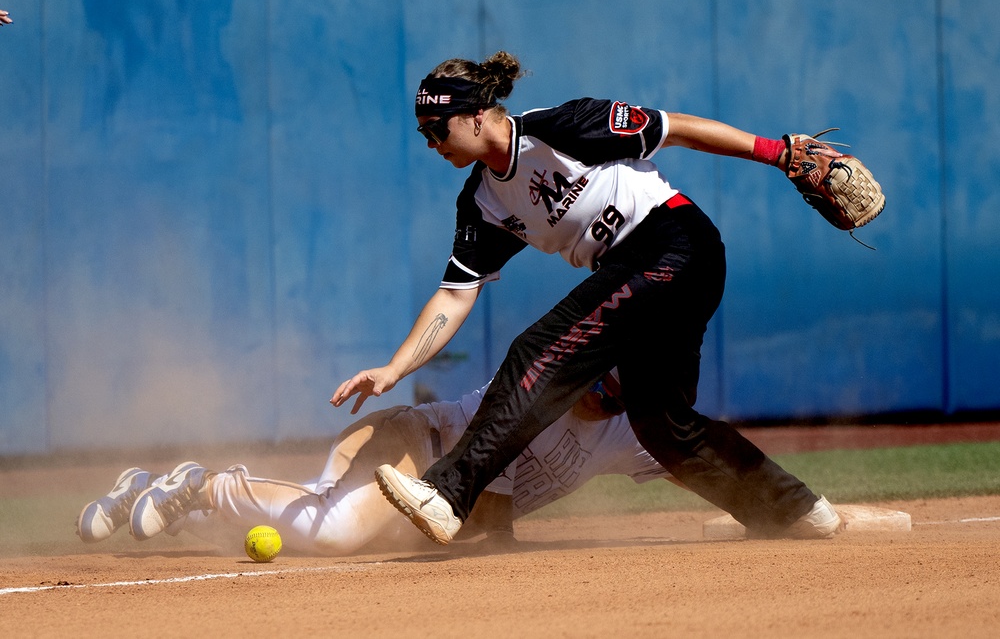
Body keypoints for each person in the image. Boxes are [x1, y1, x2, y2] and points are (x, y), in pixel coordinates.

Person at [331, 51, 841, 546]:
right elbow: (454, 297)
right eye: (424, 131)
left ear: (476, 115)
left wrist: (778, 153)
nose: (430, 142)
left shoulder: (561, 128)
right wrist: (395, 369)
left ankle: (446, 495)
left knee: (539, 353)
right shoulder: (483, 201)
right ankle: (792, 511)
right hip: (640, 274)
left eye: (437, 127)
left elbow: (676, 127)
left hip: (674, 242)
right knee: (662, 426)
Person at [77, 373, 694, 555]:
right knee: (334, 528)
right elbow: (495, 517)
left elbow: (706, 460)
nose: (600, 397)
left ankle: (153, 494)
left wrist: (763, 509)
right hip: (407, 445)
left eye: (615, 392)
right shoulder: (536, 387)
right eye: (599, 379)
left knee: (307, 527)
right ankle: (202, 486)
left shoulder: (626, 431)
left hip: (416, 507)